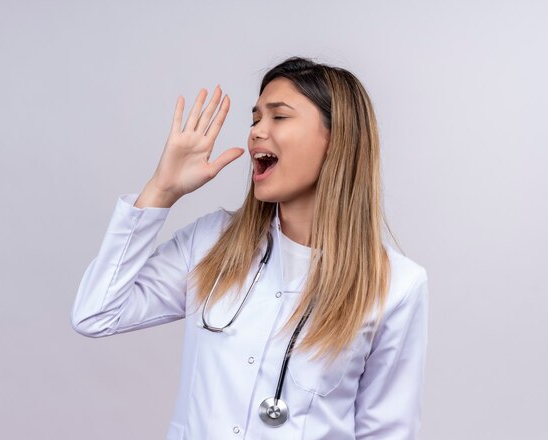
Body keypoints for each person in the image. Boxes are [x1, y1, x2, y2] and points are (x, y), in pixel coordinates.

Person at [71, 56, 429, 439]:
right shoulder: (211, 242)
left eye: (279, 117)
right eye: (256, 119)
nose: (257, 131)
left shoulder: (396, 286)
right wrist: (161, 191)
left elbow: (387, 431)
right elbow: (97, 313)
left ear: (336, 139)